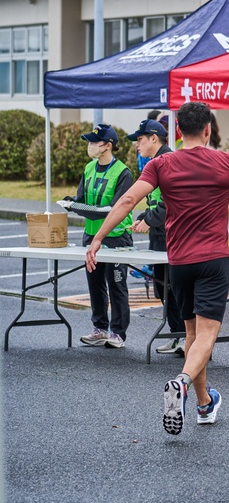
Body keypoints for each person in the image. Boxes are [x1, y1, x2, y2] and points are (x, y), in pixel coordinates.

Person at [85, 102, 229, 436]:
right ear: (208, 130)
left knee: (192, 335)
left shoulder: (162, 164)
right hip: (213, 260)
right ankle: (182, 383)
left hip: (179, 262)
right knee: (206, 335)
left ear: (177, 131)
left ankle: (204, 403)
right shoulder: (227, 161)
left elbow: (129, 201)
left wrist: (99, 237)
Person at [59, 123, 134, 349]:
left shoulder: (123, 172)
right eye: (90, 142)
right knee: (95, 283)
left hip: (116, 236)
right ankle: (100, 328)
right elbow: (82, 197)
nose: (91, 146)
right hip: (91, 234)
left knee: (117, 283)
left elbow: (118, 206)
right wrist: (71, 202)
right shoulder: (89, 167)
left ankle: (118, 332)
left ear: (108, 145)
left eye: (95, 142)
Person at [127, 118, 184, 356]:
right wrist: (143, 217)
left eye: (140, 139)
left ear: (154, 139)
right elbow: (154, 202)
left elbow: (169, 204)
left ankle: (185, 336)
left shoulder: (167, 161)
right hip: (159, 238)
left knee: (176, 288)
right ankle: (175, 333)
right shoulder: (155, 162)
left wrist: (148, 221)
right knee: (163, 288)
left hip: (174, 237)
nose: (137, 145)